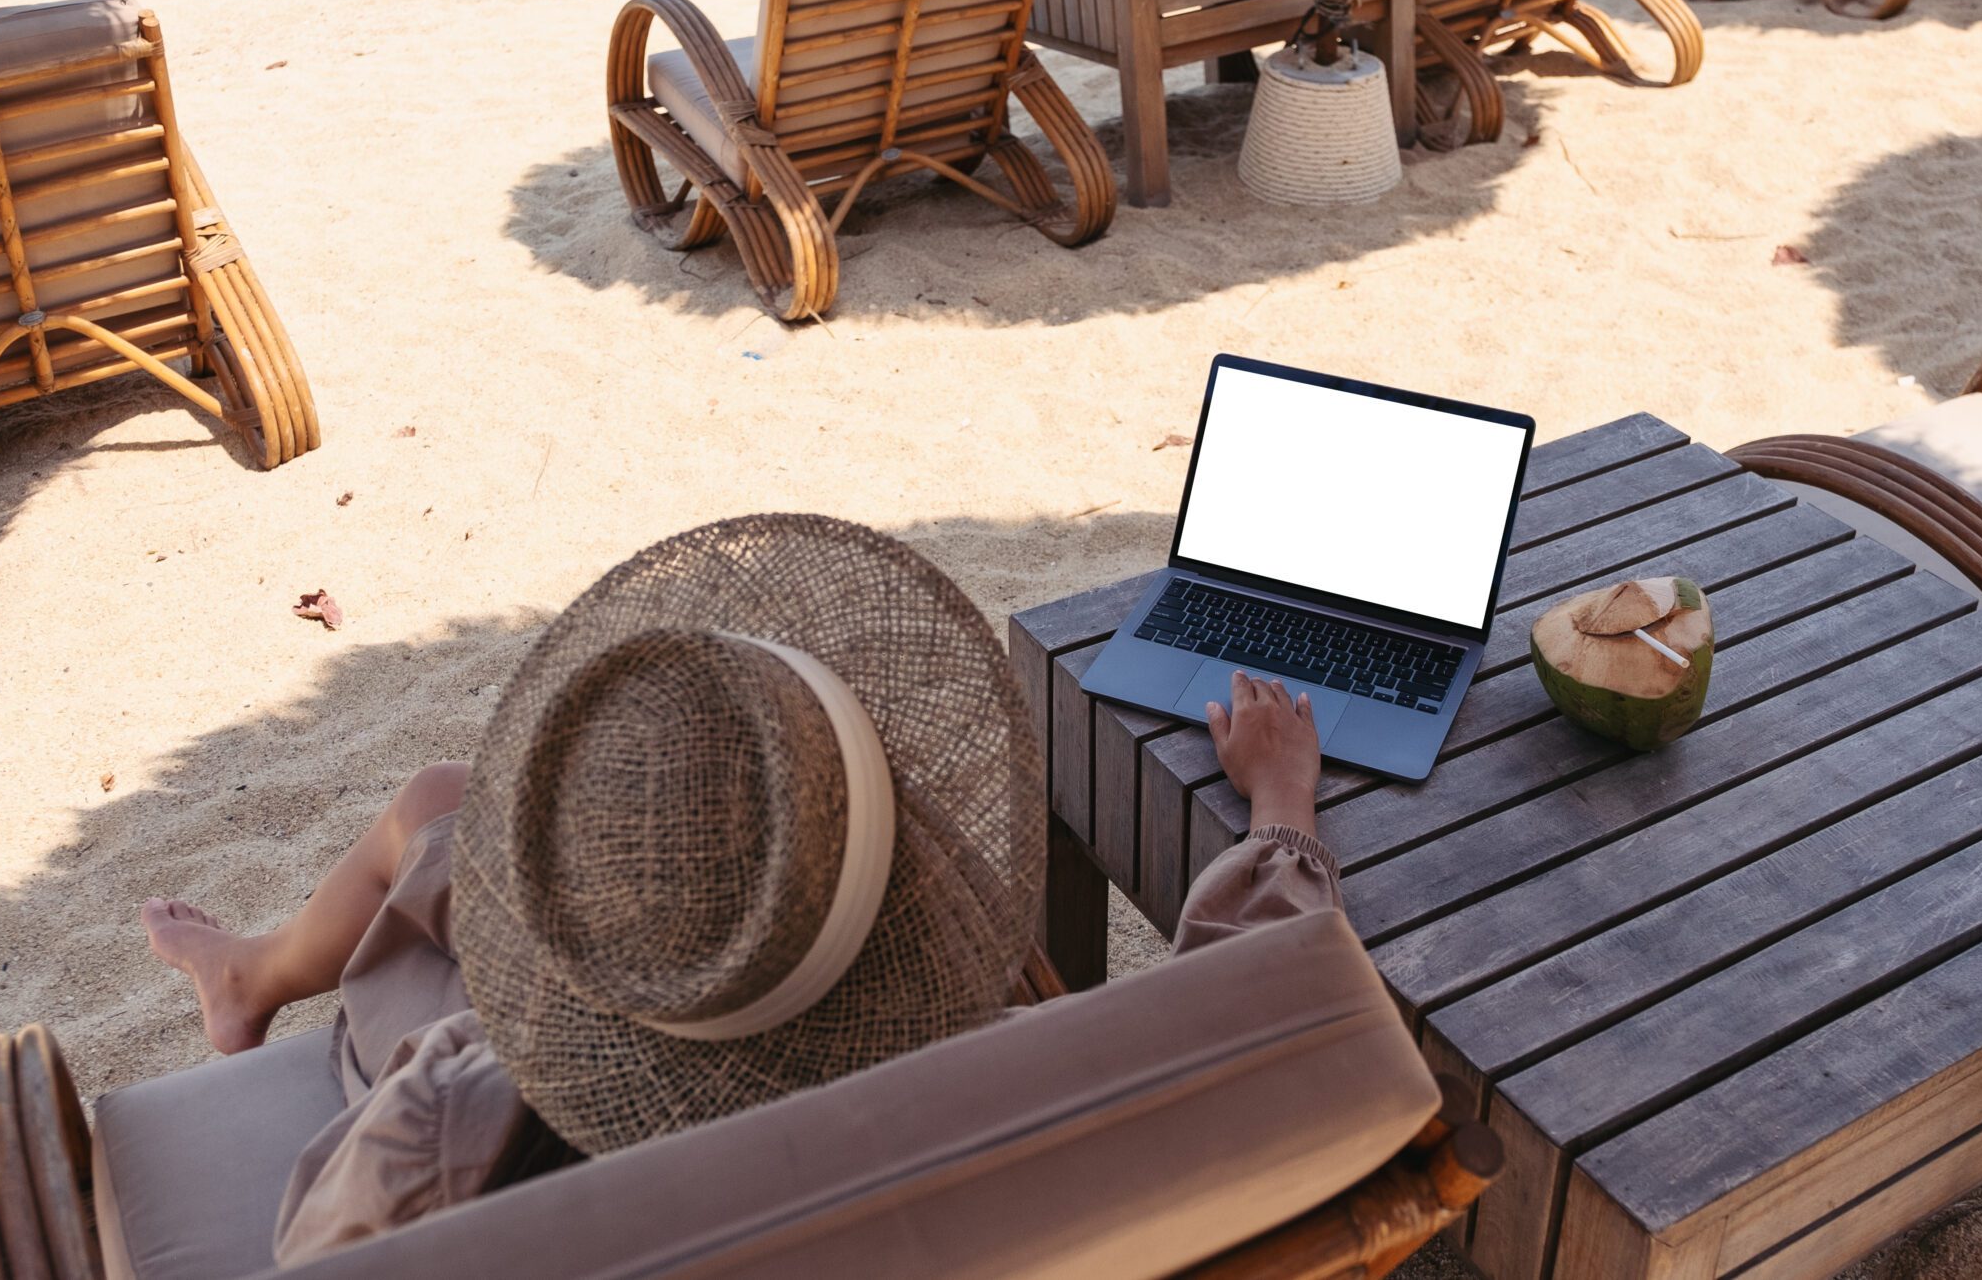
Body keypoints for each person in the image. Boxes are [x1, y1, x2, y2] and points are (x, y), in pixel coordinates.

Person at [142, 514, 1344, 1264]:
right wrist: (1280, 809)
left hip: (558, 1132)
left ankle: (249, 981)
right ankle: (252, 973)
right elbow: (1261, 1015)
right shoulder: (1009, 1084)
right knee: (444, 812)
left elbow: (321, 1251)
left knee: (435, 810)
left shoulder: (453, 1113)